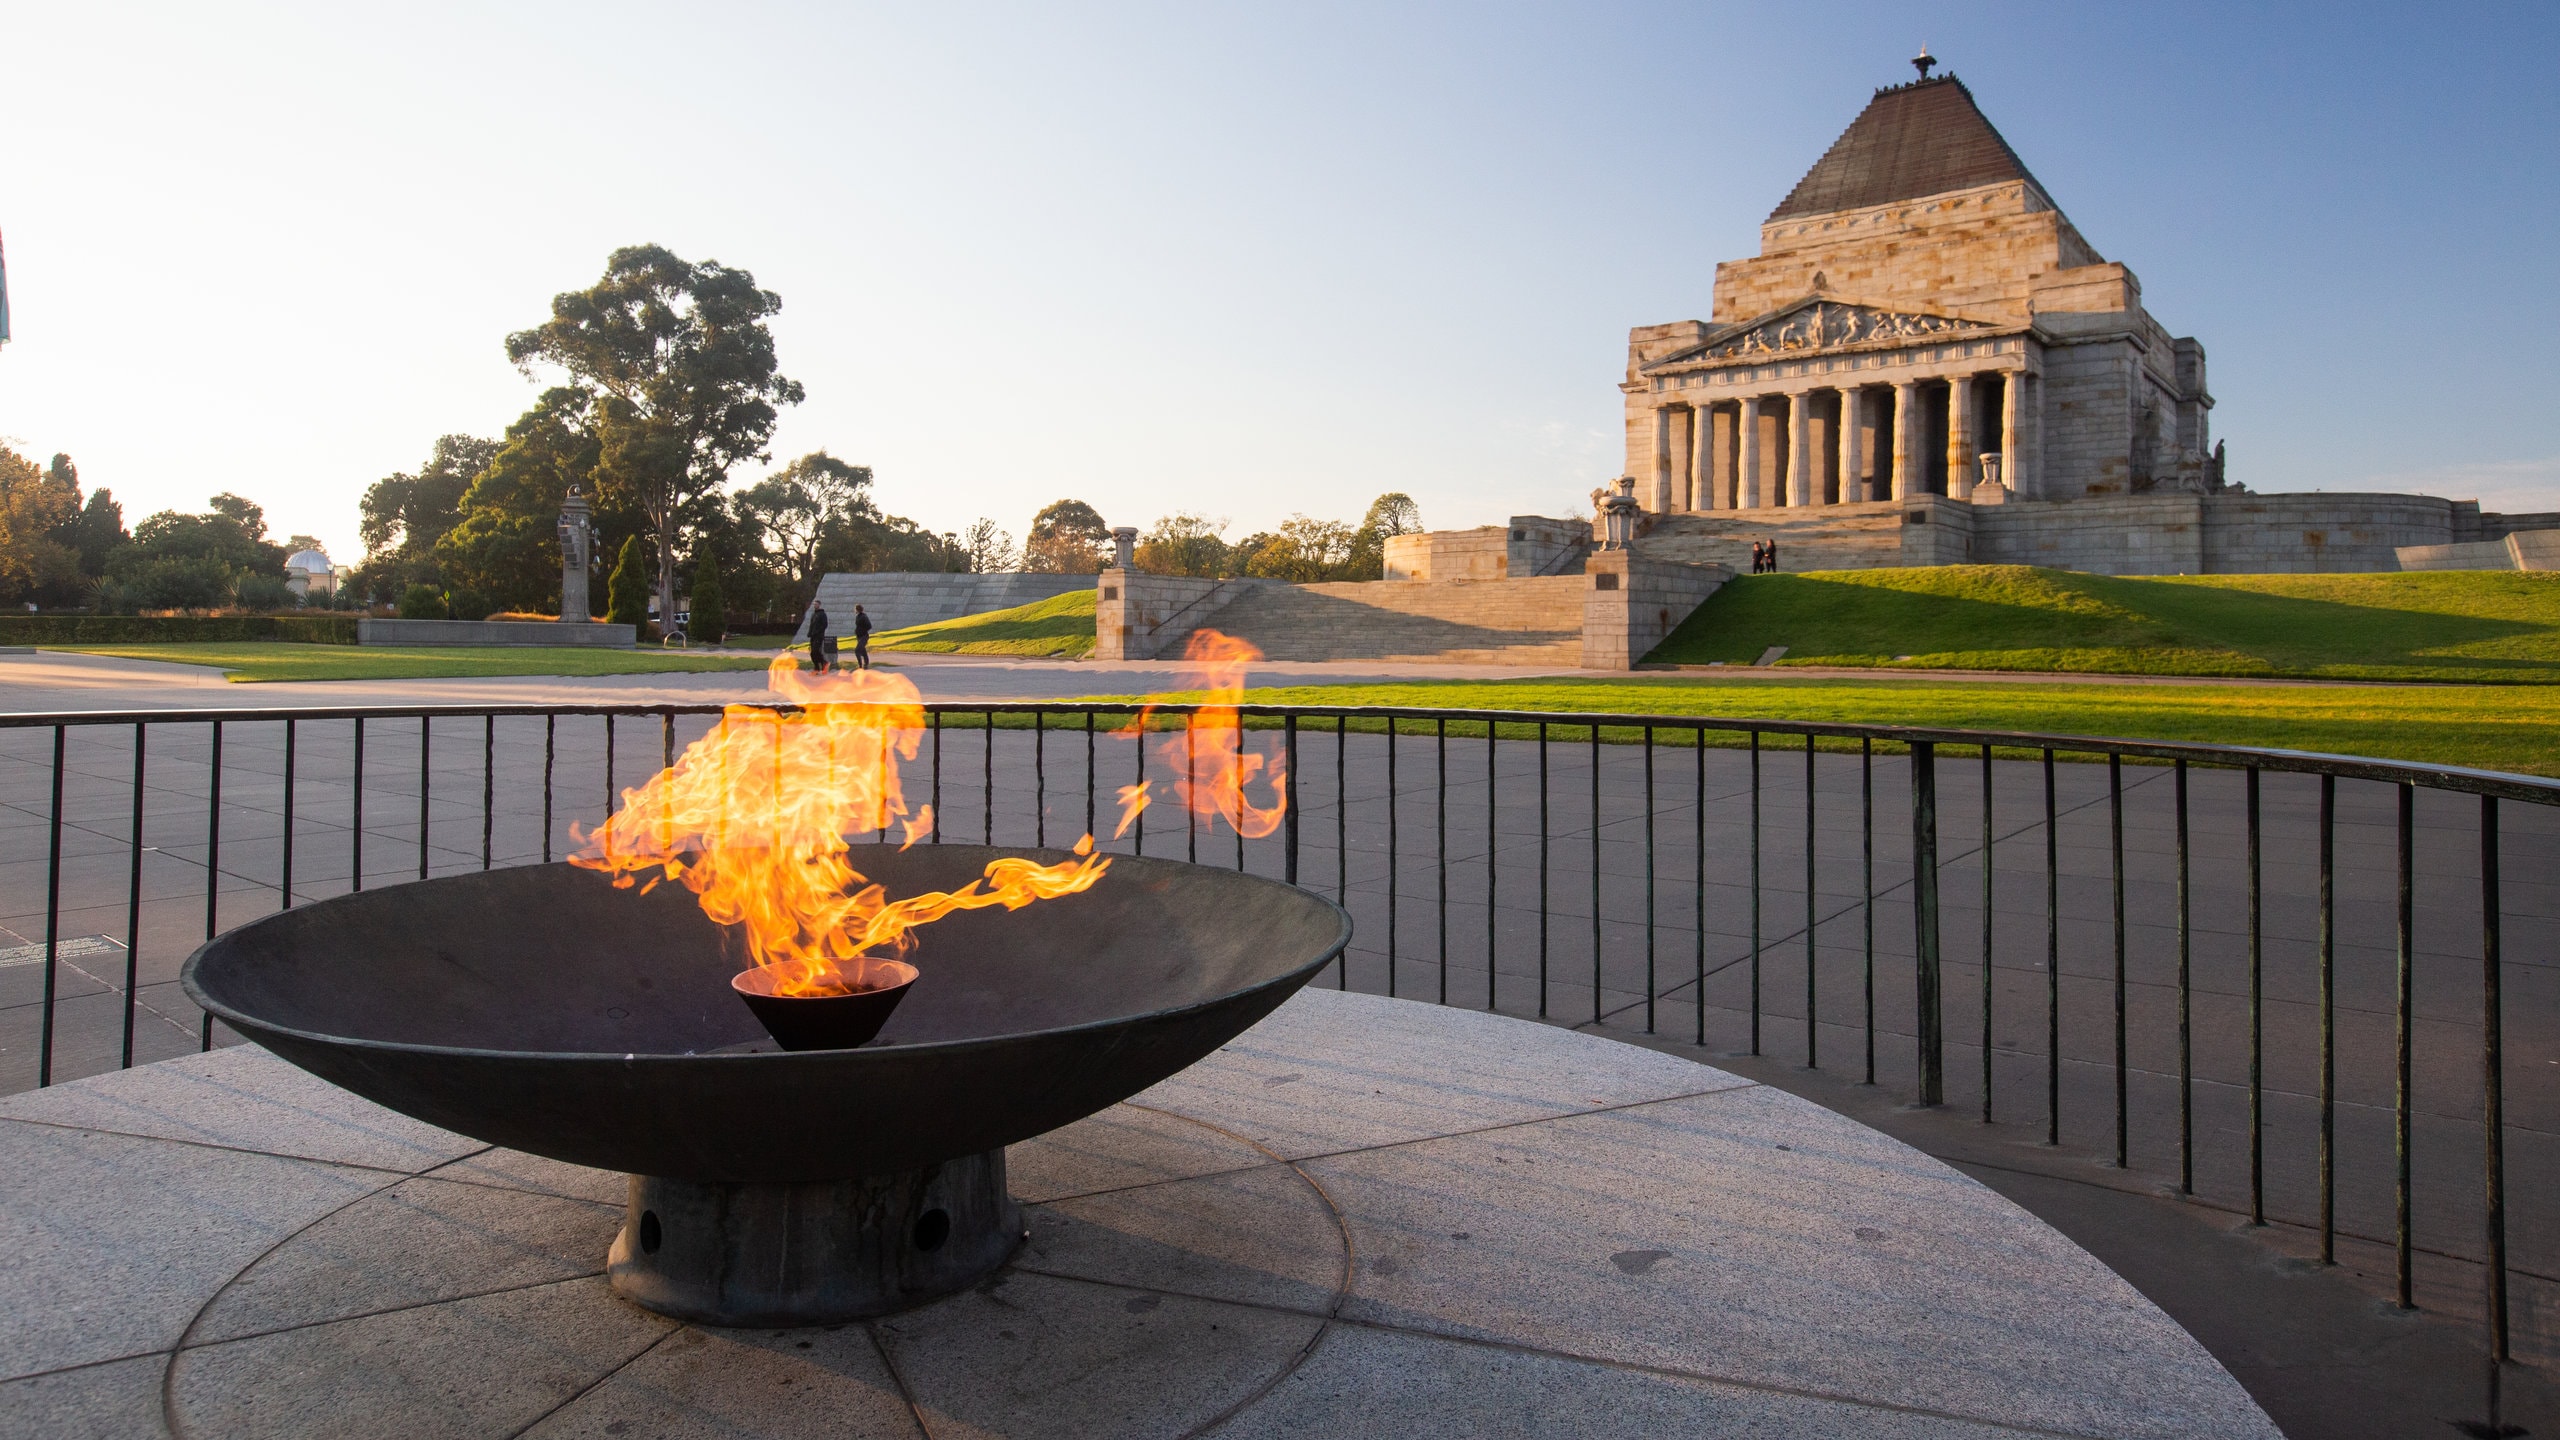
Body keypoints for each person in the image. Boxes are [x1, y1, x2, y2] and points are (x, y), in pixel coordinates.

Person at [806, 600, 832, 673]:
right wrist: (809, 633)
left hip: (819, 636)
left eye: (816, 604)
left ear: (819, 605)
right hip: (813, 636)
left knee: (815, 651)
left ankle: (824, 663)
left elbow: (824, 625)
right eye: (814, 604)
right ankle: (816, 667)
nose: (815, 605)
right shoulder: (813, 614)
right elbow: (811, 625)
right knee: (812, 653)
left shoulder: (822, 614)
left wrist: (818, 632)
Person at [852, 604, 874, 671]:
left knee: (857, 650)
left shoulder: (864, 616)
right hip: (859, 636)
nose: (855, 610)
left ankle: (860, 665)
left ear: (857, 609)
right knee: (863, 651)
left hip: (864, 636)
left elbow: (869, 626)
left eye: (855, 609)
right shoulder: (858, 616)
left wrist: (862, 630)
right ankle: (866, 664)